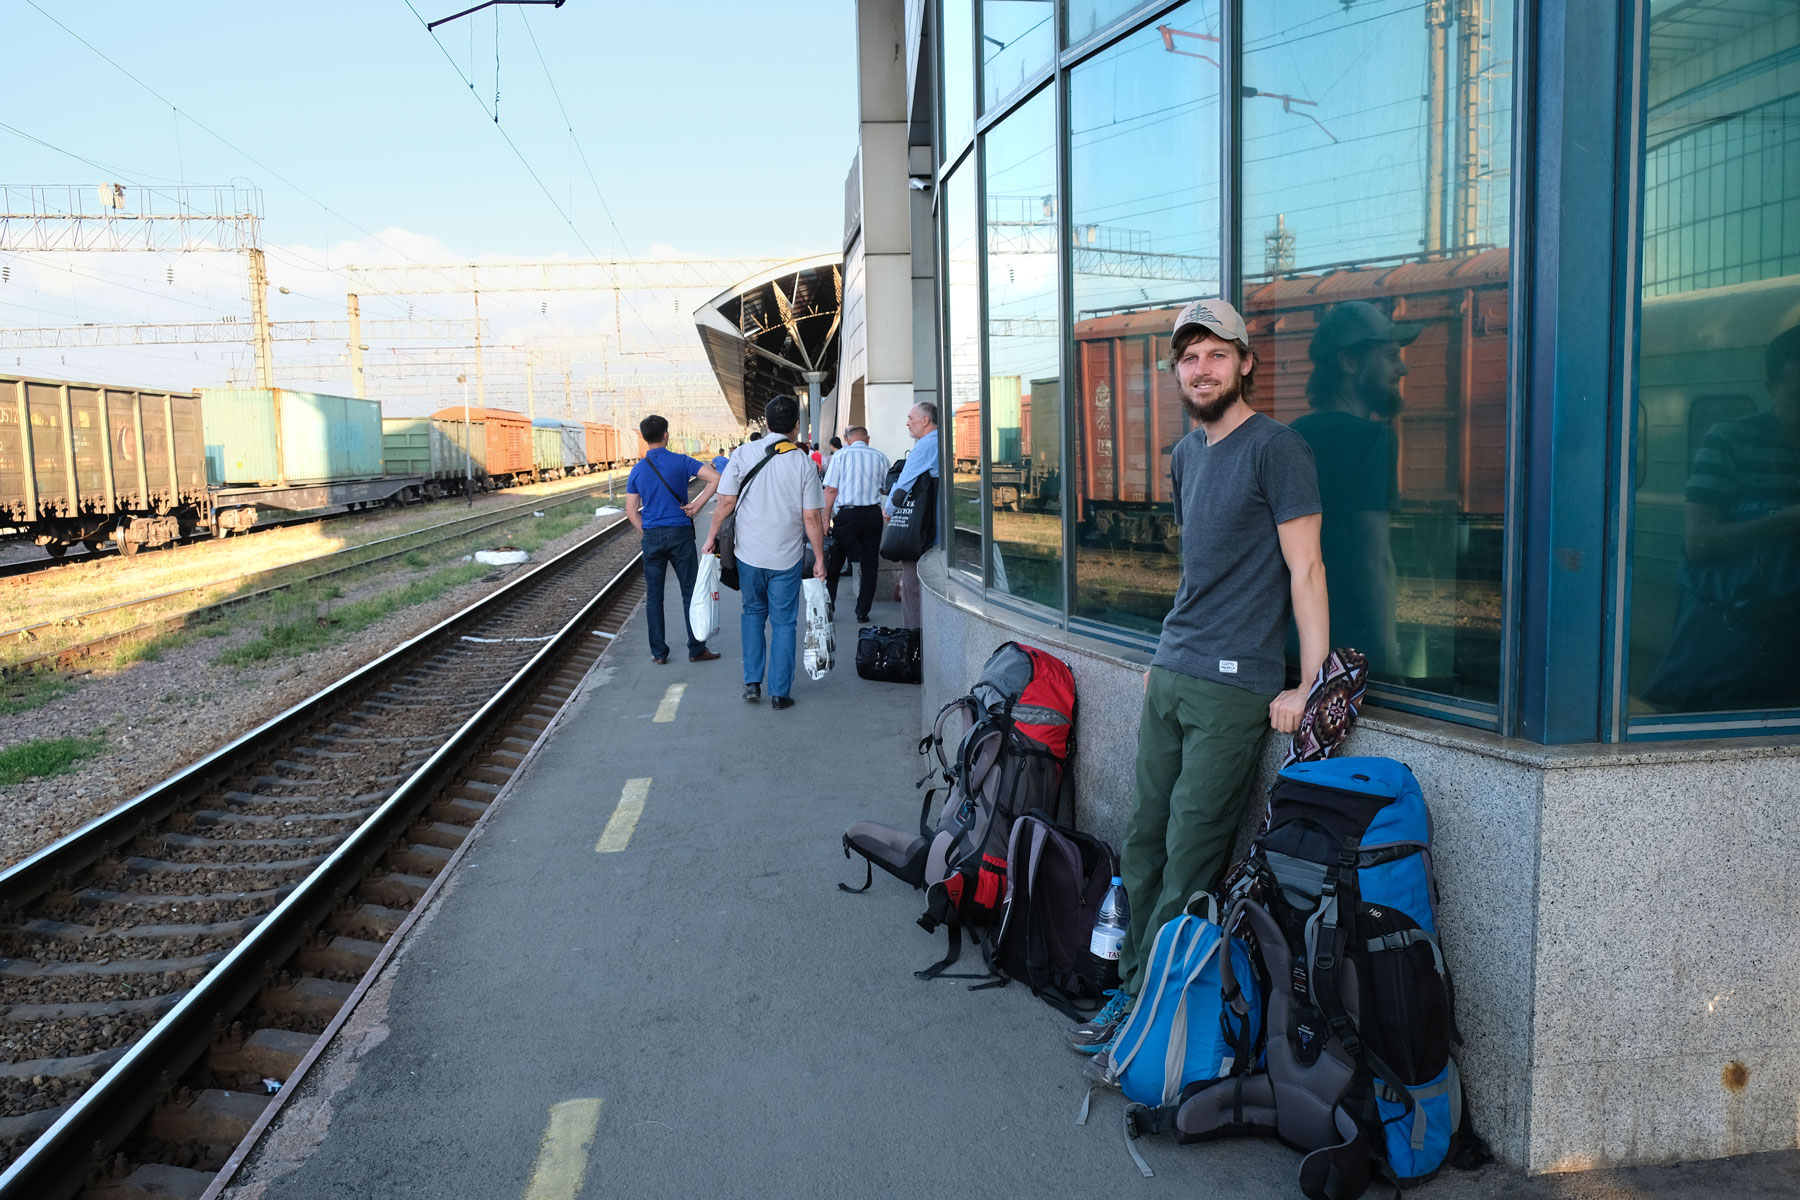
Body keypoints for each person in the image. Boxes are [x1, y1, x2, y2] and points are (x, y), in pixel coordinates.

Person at [1069, 298, 1327, 1054]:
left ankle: (1149, 1009)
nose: (1202, 368)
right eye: (1189, 357)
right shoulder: (1185, 456)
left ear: (1246, 362)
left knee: (1190, 854)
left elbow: (1305, 569)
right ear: (1177, 371)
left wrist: (1309, 684)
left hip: (1234, 686)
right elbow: (1200, 573)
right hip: (1175, 670)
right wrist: (1162, 657)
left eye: (1217, 353)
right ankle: (1131, 987)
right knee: (1144, 838)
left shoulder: (1278, 448)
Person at [1643, 324, 1800, 710]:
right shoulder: (1729, 440)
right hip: (1737, 635)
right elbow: (1699, 542)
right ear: (1771, 388)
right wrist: (1786, 521)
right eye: (1799, 397)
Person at [1288, 301, 1417, 675]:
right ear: (1349, 363)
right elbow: (1372, 561)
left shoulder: (1293, 435)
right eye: (1390, 356)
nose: (1402, 368)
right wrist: (1390, 660)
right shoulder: (1371, 440)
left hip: (1294, 641)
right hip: (1349, 649)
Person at [702, 396, 827, 709]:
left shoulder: (743, 453)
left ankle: (752, 683)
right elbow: (812, 516)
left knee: (753, 614)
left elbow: (725, 503)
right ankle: (780, 693)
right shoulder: (803, 462)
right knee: (785, 623)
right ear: (797, 427)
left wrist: (710, 537)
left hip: (748, 554)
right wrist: (820, 558)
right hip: (787, 557)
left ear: (767, 424)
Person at [625, 414, 722, 666]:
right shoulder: (681, 460)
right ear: (666, 435)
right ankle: (696, 648)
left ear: (645, 439)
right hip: (679, 533)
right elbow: (715, 478)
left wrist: (647, 532)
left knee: (654, 596)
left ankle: (659, 653)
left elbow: (631, 511)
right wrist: (697, 504)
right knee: (690, 591)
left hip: (652, 536)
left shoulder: (638, 469)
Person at [822, 425, 892, 623]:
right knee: (869, 565)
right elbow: (887, 488)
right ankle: (862, 612)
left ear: (847, 439)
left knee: (835, 564)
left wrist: (826, 519)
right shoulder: (879, 457)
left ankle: (829, 608)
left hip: (847, 516)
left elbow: (830, 490)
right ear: (867, 439)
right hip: (871, 515)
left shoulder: (840, 456)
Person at [885, 401, 940, 629]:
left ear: (925, 420)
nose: (907, 423)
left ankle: (913, 643)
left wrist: (889, 510)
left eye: (911, 418)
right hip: (939, 530)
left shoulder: (925, 445)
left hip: (920, 530)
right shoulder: (944, 441)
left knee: (912, 590)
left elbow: (903, 485)